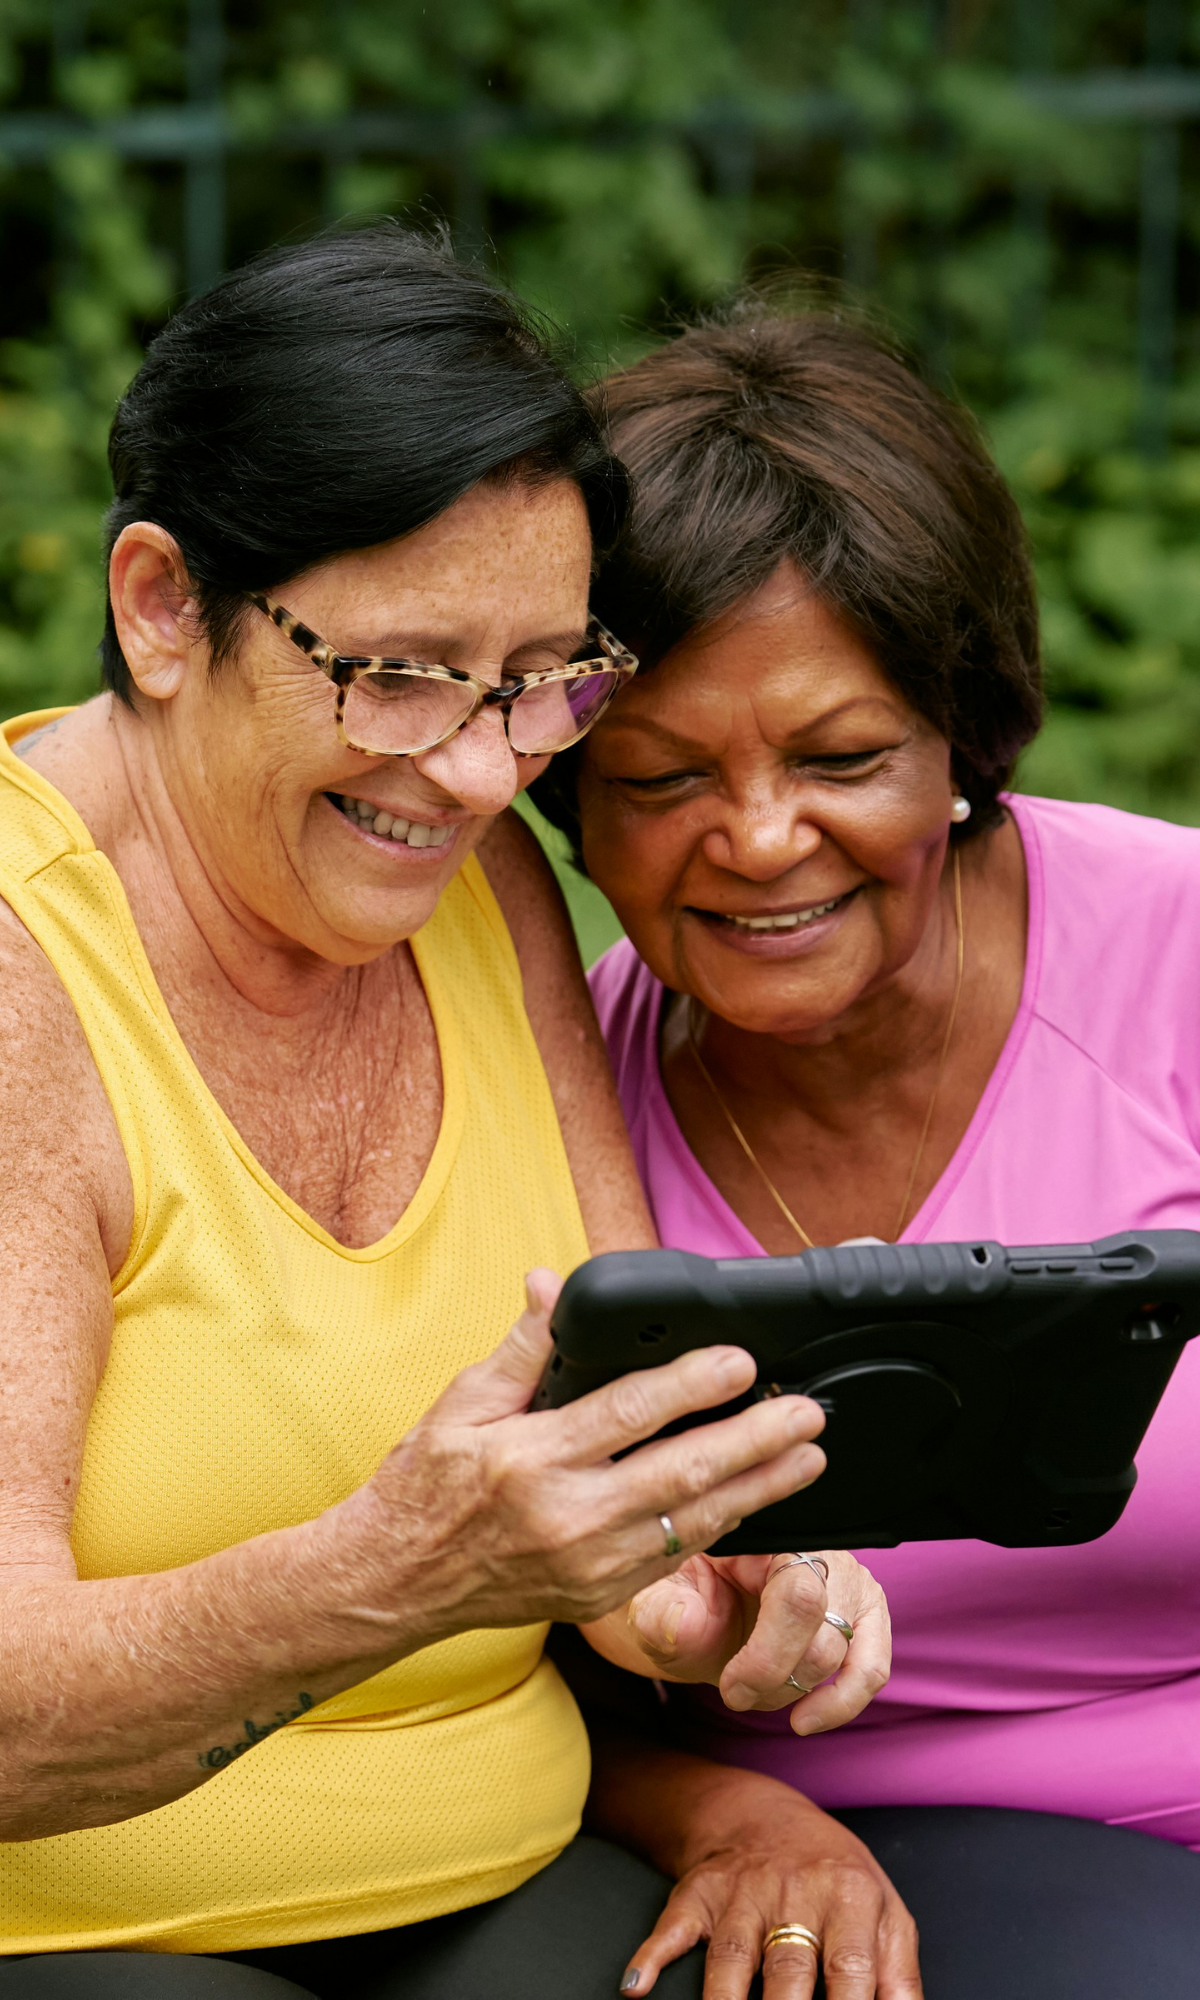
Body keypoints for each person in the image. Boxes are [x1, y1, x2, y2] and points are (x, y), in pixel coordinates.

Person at [0, 235, 902, 2000]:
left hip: (498, 1876)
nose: (489, 773)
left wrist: (709, 1589)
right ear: (162, 605)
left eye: (543, 680)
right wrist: (391, 1573)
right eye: (401, 673)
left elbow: (619, 1464)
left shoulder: (468, 876)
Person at [532, 302, 1200, 1999]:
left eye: (842, 758)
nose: (758, 842)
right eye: (663, 776)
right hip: (747, 1879)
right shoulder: (536, 1076)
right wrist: (721, 1813)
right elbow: (477, 1649)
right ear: (566, 797)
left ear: (964, 746)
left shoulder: (1175, 962)